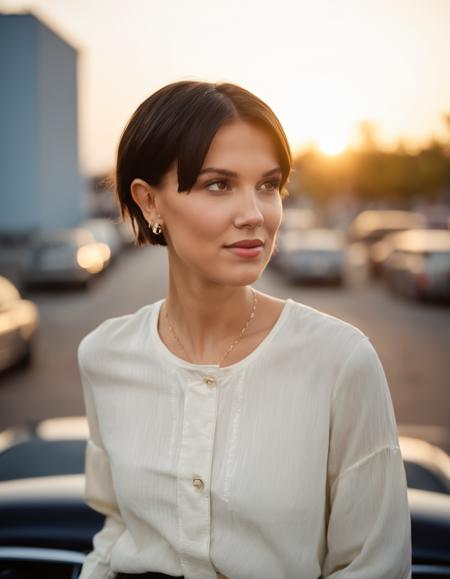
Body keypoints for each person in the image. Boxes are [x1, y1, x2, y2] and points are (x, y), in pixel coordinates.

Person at [77, 80, 412, 579]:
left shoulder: (339, 360)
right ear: (149, 202)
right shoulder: (104, 354)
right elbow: (115, 530)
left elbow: (375, 567)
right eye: (219, 184)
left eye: (268, 186)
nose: (255, 215)